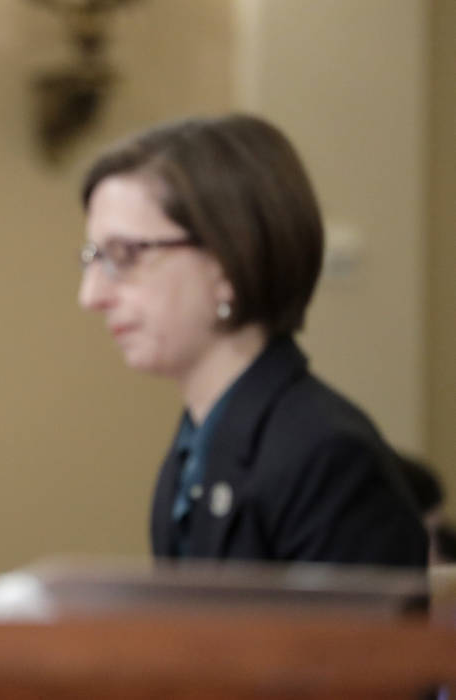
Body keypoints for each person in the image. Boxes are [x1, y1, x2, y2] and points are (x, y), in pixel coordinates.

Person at [77, 114, 427, 567]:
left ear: (226, 261)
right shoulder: (191, 455)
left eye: (125, 255)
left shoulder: (329, 458)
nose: (91, 296)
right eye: (93, 258)